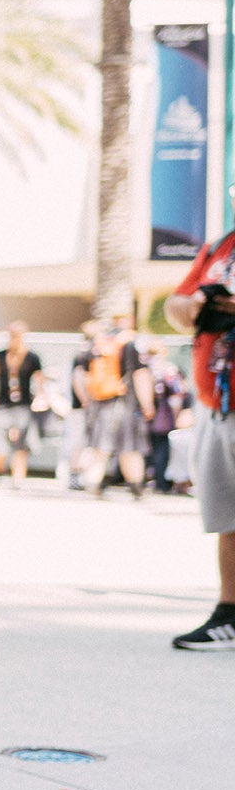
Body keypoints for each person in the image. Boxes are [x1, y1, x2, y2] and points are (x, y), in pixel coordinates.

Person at [161, 226, 235, 650]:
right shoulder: (222, 244)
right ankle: (229, 613)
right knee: (228, 515)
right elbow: (175, 305)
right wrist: (190, 307)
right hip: (218, 401)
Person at [74, 316, 153, 499]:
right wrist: (147, 404)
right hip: (124, 403)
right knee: (129, 447)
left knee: (99, 447)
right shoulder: (130, 345)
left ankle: (94, 485)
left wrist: (86, 399)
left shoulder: (94, 346)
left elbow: (80, 375)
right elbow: (140, 375)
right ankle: (136, 488)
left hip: (99, 404)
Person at [0, 320, 46, 488]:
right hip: (3, 404)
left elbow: (39, 379)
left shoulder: (32, 357)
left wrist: (41, 398)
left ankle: (18, 478)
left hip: (23, 405)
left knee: (22, 442)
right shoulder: (0, 356)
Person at [141, 339, 188, 493]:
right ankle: (162, 482)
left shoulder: (145, 369)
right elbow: (177, 396)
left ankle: (152, 478)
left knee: (151, 449)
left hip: (146, 414)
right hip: (164, 415)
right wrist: (176, 415)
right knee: (163, 449)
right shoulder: (169, 370)